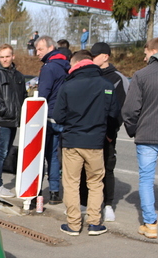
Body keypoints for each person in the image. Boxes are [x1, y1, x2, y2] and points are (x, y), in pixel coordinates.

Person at [53, 50, 120, 236]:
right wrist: (107, 135)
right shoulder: (106, 85)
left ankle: (73, 225)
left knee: (72, 183)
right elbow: (114, 115)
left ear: (75, 64)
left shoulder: (68, 85)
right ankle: (94, 223)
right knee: (96, 183)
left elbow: (58, 116)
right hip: (96, 142)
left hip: (72, 142)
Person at [122, 37, 158, 239]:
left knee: (146, 179)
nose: (144, 58)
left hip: (146, 136)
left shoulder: (142, 75)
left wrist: (133, 129)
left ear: (153, 51)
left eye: (145, 54)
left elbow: (129, 109)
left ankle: (150, 224)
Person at [87, 42, 129, 222]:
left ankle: (108, 204)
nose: (91, 58)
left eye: (94, 55)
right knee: (87, 170)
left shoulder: (118, 79)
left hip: (107, 134)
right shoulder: (89, 76)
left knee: (107, 169)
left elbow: (122, 109)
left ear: (105, 57)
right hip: (89, 132)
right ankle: (85, 203)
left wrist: (110, 132)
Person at [0, 44, 28, 198]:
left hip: (13, 121)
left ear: (13, 56)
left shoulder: (19, 76)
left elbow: (23, 97)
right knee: (1, 153)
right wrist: (6, 111)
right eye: (1, 57)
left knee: (5, 152)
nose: (4, 59)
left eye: (7, 56)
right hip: (1, 121)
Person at [35, 35, 70, 204]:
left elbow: (43, 95)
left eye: (40, 49)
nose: (37, 53)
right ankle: (55, 192)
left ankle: (36, 192)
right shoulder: (67, 65)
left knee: (39, 156)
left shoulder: (49, 68)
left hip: (47, 117)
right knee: (54, 157)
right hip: (61, 118)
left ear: (50, 48)